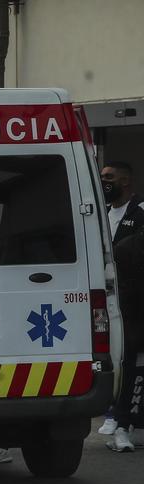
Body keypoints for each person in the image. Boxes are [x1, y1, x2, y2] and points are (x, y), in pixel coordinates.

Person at [101, 161, 144, 435]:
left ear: (125, 181)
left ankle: (125, 420)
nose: (105, 181)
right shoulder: (102, 213)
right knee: (112, 356)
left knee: (130, 356)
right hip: (108, 299)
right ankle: (113, 413)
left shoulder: (140, 211)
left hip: (135, 299)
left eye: (109, 177)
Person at [109, 226, 144, 451]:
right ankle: (122, 426)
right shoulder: (127, 248)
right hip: (135, 323)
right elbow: (121, 292)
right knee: (134, 374)